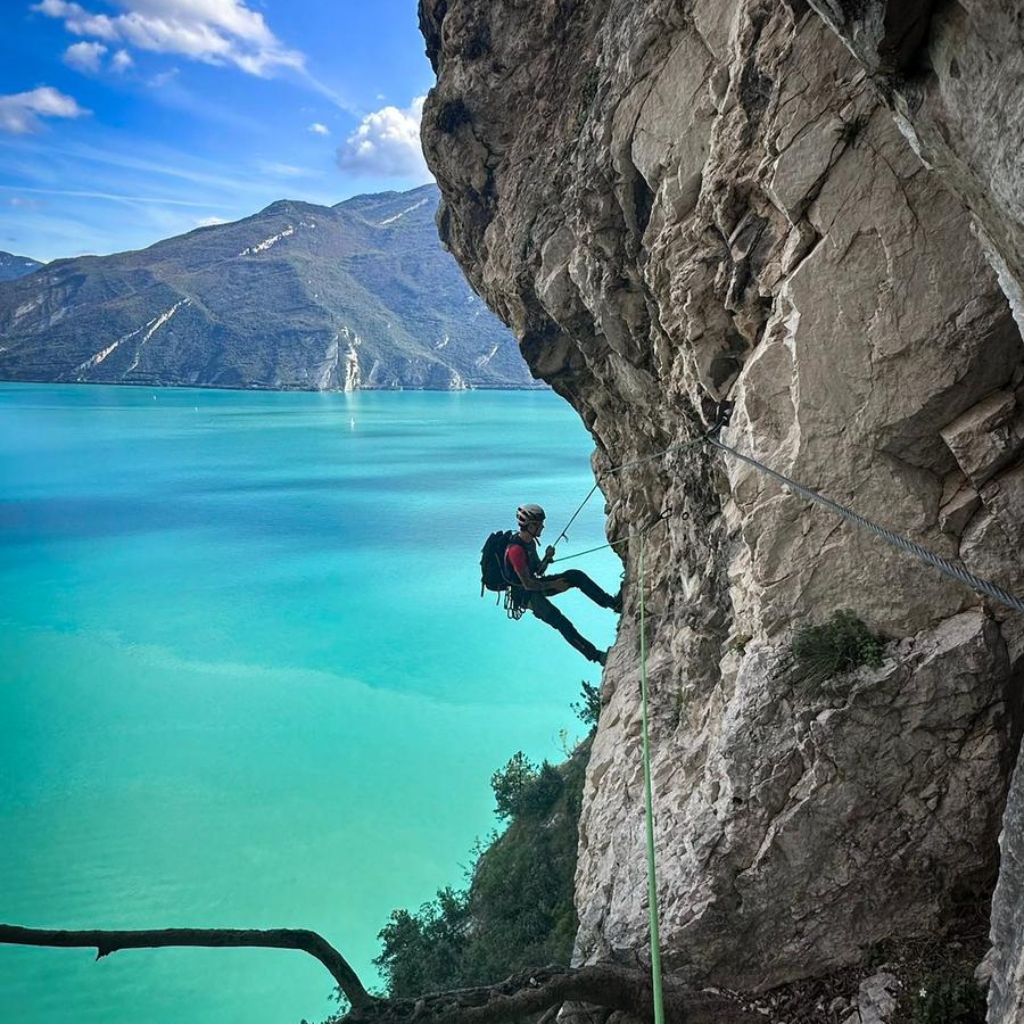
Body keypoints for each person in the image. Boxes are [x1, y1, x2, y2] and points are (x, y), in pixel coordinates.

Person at [505, 503, 621, 665]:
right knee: (560, 622)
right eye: (539, 524)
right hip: (525, 595)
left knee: (575, 576)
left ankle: (613, 603)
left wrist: (547, 557)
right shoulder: (515, 550)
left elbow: (537, 570)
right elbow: (528, 584)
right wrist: (554, 584)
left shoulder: (529, 542)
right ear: (530, 525)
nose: (542, 527)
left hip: (534, 584)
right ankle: (597, 656)